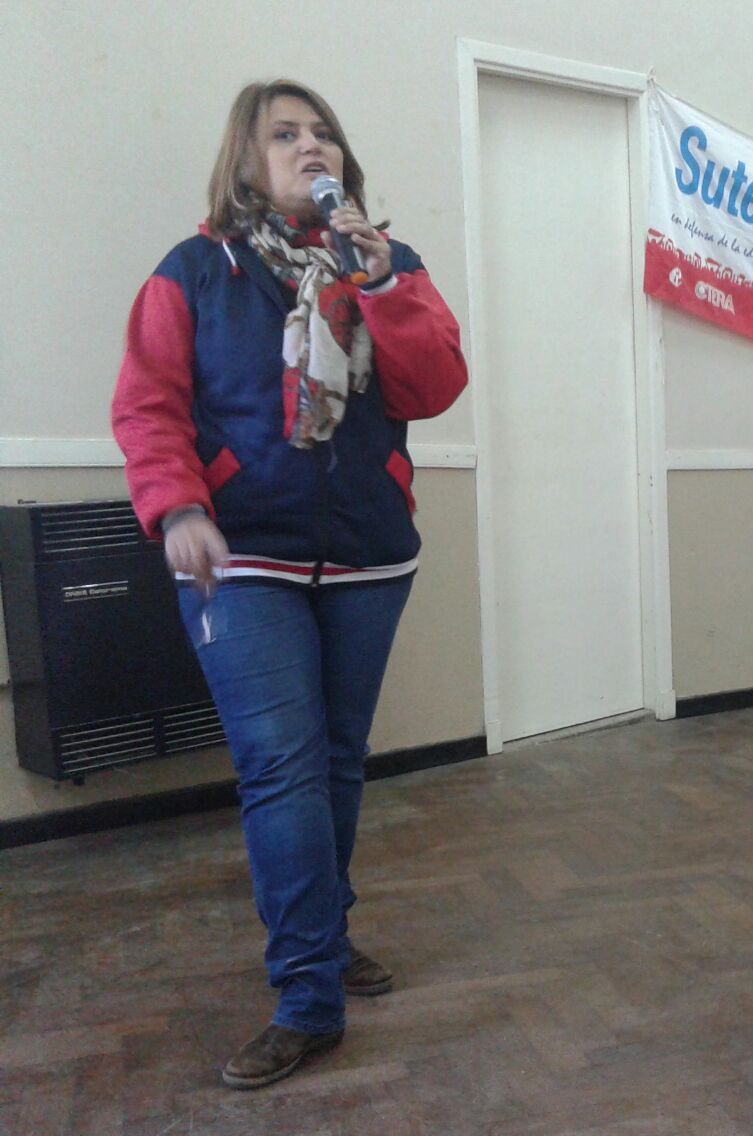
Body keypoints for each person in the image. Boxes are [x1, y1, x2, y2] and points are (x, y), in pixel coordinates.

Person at [111, 80, 468, 1089]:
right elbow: (147, 405)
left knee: (339, 761)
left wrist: (385, 284)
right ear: (246, 160)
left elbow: (435, 386)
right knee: (281, 766)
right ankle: (307, 995)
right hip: (241, 556)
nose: (312, 148)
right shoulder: (194, 270)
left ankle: (326, 932)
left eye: (324, 135)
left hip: (367, 552)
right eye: (284, 135)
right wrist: (179, 507)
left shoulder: (389, 263)